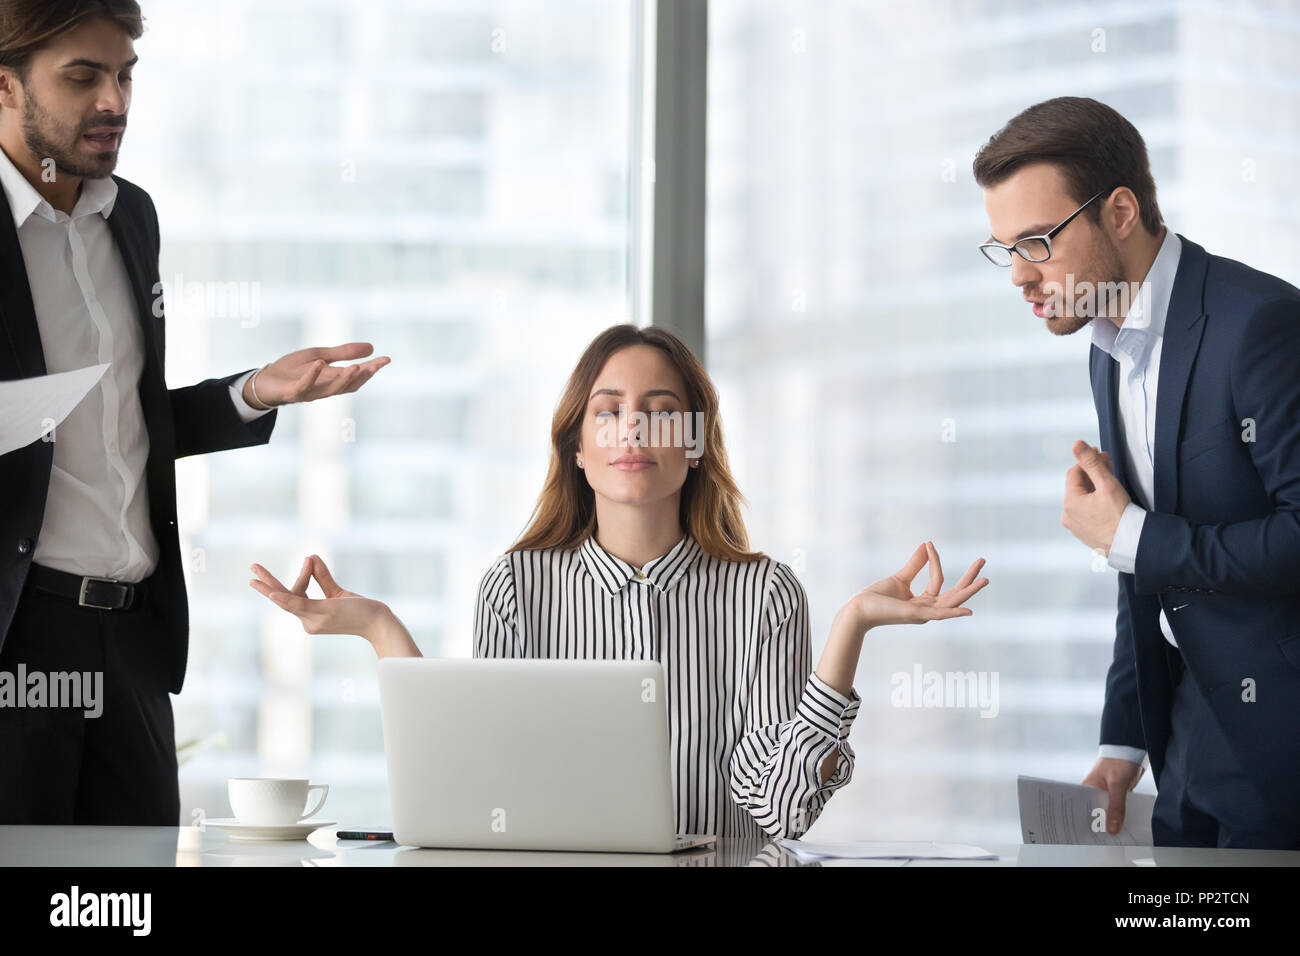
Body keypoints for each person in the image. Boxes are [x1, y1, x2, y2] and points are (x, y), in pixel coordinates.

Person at [251, 323, 989, 840]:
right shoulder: (516, 586)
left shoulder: (764, 595)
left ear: (693, 447)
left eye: (661, 413)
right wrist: (381, 628)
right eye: (608, 413)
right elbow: (480, 783)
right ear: (578, 447)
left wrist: (850, 627)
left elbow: (783, 809)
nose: (633, 430)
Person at [0, 0, 389, 825]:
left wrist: (252, 395)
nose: (115, 102)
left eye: (125, 75)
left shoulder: (129, 216)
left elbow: (116, 420)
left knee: (130, 903)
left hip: (133, 646)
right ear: (5, 86)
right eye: (83, 78)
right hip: (17, 641)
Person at [974, 96, 1300, 848]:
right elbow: (1140, 569)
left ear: (1119, 211)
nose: (1020, 278)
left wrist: (1133, 536)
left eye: (1036, 242)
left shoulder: (1260, 327)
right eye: (1004, 250)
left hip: (1283, 758)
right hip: (1185, 754)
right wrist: (1124, 742)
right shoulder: (1107, 348)